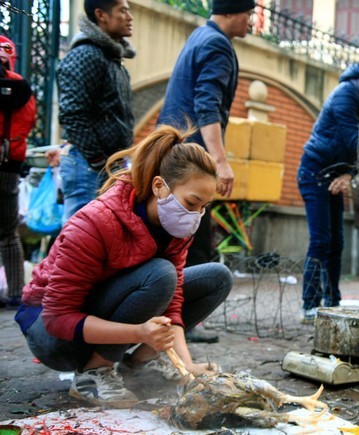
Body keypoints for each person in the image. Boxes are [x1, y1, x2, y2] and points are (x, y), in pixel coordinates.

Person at [16, 125, 233, 408]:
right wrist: (138, 333)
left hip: (102, 315)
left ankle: (143, 364)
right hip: (50, 334)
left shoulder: (176, 230)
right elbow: (58, 318)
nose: (196, 216)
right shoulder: (96, 221)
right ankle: (94, 373)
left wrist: (186, 367)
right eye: (192, 203)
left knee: (217, 277)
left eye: (203, 207)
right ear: (159, 186)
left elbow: (174, 302)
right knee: (160, 275)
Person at [157, 0, 255, 342]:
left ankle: (171, 317)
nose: (252, 20)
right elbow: (207, 105)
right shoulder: (216, 44)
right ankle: (184, 322)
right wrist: (220, 162)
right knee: (193, 238)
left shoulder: (199, 36)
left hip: (175, 152)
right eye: (248, 13)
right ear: (230, 11)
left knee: (178, 237)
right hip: (191, 158)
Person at [297, 41, 359, 321]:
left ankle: (333, 301)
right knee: (321, 240)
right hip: (315, 172)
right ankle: (310, 304)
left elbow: (354, 148)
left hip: (335, 174)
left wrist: (349, 174)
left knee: (337, 241)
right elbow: (353, 142)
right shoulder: (347, 94)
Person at [48, 0, 135, 224]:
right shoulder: (86, 55)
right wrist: (98, 160)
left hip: (106, 166)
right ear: (101, 15)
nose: (130, 17)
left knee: (100, 242)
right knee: (80, 243)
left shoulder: (112, 59)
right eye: (123, 11)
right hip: (87, 166)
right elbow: (72, 114)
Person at [0, 36, 36, 308]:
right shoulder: (22, 87)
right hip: (9, 164)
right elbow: (27, 122)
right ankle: (14, 293)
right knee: (8, 233)